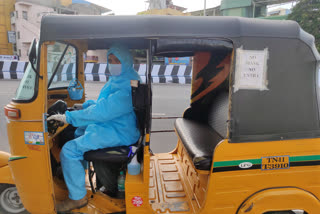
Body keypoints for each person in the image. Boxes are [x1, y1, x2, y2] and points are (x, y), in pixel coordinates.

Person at [48, 44, 141, 212]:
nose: (112, 64)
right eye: (110, 60)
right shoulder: (121, 79)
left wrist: (69, 117)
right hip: (117, 124)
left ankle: (77, 198)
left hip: (120, 131)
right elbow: (104, 105)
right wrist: (85, 107)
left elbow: (104, 111)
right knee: (79, 131)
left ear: (126, 61)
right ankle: (75, 174)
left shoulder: (126, 87)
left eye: (117, 60)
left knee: (69, 150)